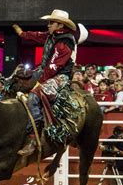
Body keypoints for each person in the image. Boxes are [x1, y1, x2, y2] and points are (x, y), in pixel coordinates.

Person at [13, 9, 77, 156]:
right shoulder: (52, 36)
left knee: (34, 96)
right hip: (47, 71)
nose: (48, 25)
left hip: (61, 76)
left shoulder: (64, 43)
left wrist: (40, 82)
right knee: (18, 83)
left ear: (60, 25)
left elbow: (54, 66)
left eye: (51, 22)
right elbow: (38, 36)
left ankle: (33, 139)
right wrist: (22, 34)